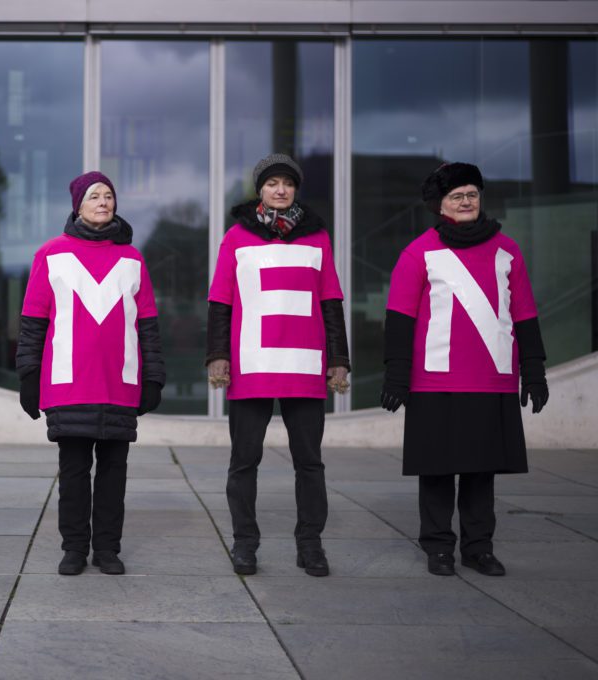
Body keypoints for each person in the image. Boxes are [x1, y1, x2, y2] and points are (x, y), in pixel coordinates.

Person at [381, 162, 548, 577]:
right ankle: (438, 547)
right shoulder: (419, 251)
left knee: (481, 470)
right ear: (441, 205)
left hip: (491, 379)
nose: (467, 201)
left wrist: (535, 370)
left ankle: (479, 547)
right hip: (434, 379)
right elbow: (399, 317)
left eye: (472, 193)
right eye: (457, 196)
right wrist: (396, 376)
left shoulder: (507, 250)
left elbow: (525, 314)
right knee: (437, 470)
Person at [207, 153, 350, 577]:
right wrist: (218, 355)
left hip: (305, 365)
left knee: (309, 462)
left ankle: (310, 545)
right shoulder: (237, 237)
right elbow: (220, 301)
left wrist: (339, 360)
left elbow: (331, 301)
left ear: (296, 189)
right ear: (260, 189)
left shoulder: (317, 237)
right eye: (273, 183)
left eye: (288, 183)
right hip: (251, 364)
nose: (281, 190)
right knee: (243, 460)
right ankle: (245, 544)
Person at [16, 171, 165, 576]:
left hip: (121, 382)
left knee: (115, 473)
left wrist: (153, 376)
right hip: (69, 383)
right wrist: (29, 374)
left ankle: (107, 549)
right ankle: (74, 548)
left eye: (108, 196)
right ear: (77, 205)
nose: (103, 202)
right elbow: (32, 321)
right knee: (74, 472)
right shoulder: (51, 254)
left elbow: (147, 324)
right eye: (94, 196)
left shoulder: (133, 259)